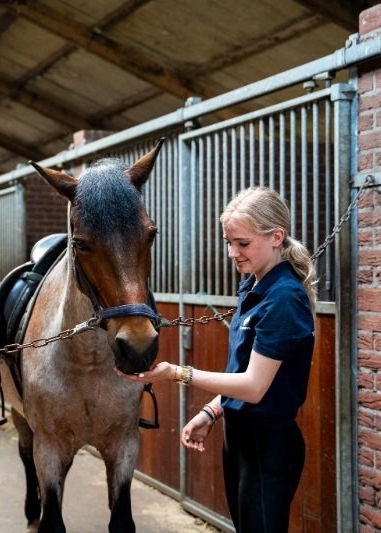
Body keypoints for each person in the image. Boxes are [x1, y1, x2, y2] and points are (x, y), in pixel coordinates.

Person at [117, 187, 316, 532]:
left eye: (242, 243)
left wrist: (174, 373)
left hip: (267, 442)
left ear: (276, 237)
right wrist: (212, 410)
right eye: (228, 242)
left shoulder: (283, 298)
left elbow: (254, 387)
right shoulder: (254, 287)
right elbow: (239, 372)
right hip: (238, 436)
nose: (232, 253)